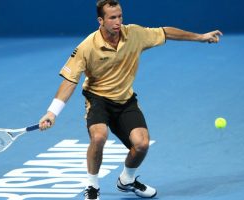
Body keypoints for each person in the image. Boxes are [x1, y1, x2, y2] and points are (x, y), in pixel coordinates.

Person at [39, 0, 222, 199]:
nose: (118, 22)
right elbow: (70, 81)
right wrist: (52, 112)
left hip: (125, 99)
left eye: (120, 16)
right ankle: (92, 186)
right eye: (112, 18)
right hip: (98, 98)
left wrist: (200, 37)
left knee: (142, 144)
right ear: (100, 20)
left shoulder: (134, 34)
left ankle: (126, 180)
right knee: (99, 137)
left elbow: (165, 32)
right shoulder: (87, 47)